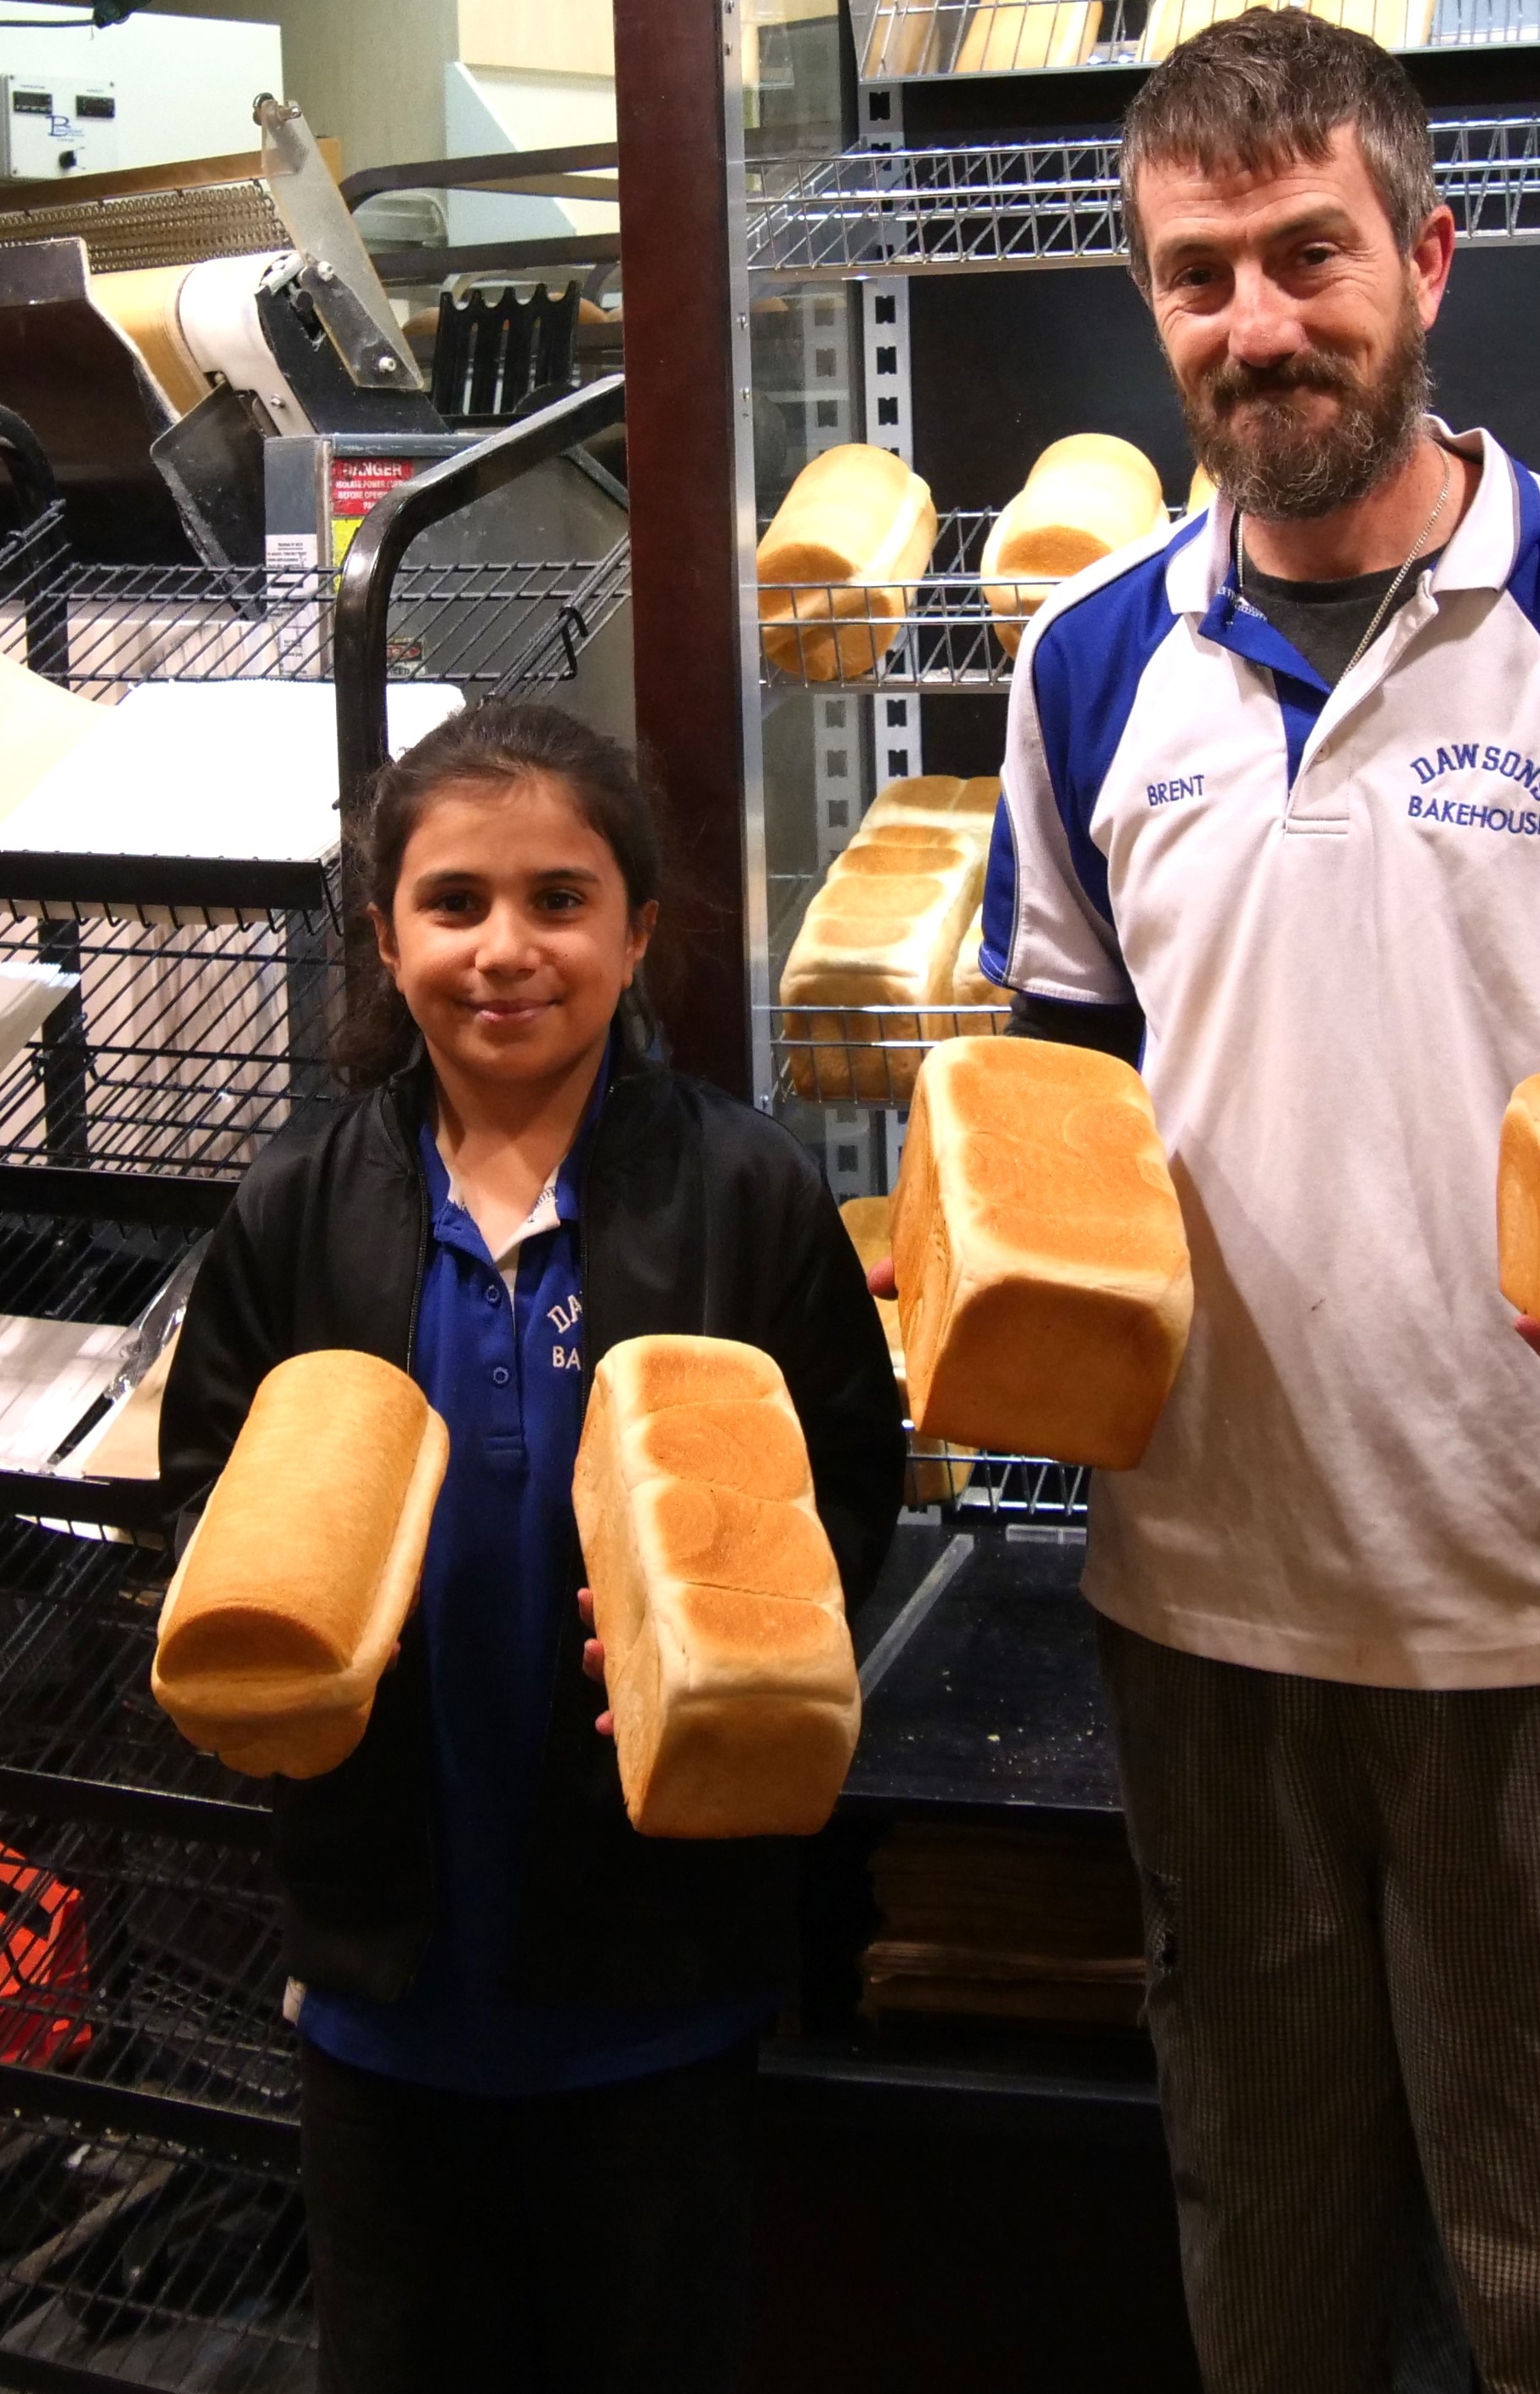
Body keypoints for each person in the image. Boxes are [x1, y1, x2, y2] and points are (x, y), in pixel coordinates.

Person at [978, 5, 1540, 2394]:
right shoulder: (1084, 660)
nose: (1255, 323)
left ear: (1427, 259)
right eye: (1197, 274)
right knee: (1272, 2258)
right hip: (1201, 1601)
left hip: (1534, 1599)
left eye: (1307, 255)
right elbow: (1062, 1101)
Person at [158, 701, 902, 2394]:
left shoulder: (748, 1193)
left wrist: (754, 1635)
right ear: (384, 936)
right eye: (456, 902)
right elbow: (204, 1489)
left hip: (662, 1966)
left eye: (560, 899)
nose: (506, 948)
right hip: (384, 1962)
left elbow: (847, 1484)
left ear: (638, 933)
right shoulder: (295, 1206)